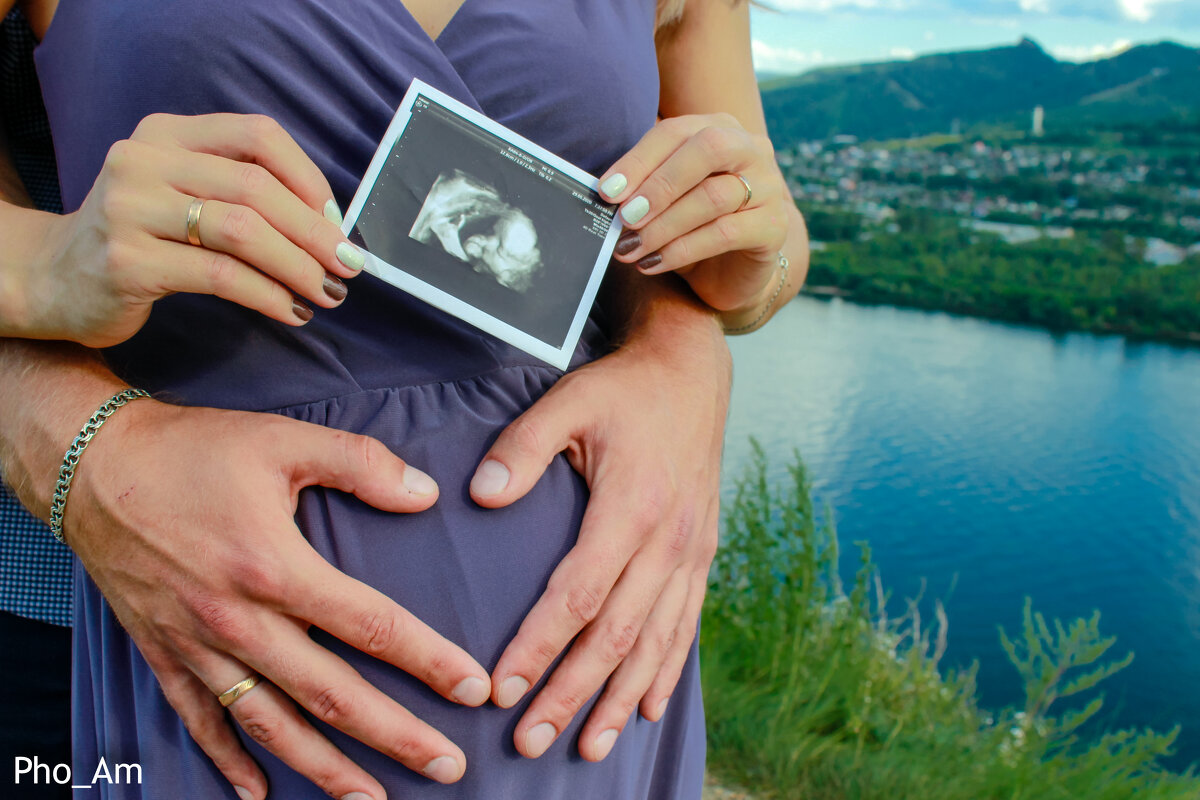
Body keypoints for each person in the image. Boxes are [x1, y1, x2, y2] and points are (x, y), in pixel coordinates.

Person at [0, 1, 808, 799]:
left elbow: (751, 246)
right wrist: (47, 270)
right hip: (198, 646)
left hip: (599, 703)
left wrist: (718, 298)